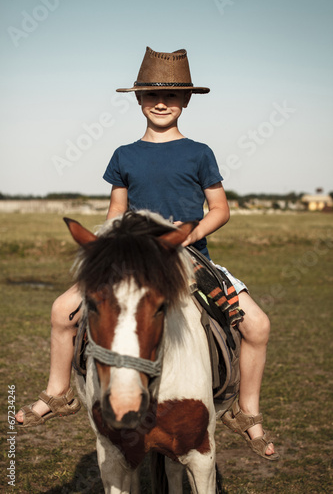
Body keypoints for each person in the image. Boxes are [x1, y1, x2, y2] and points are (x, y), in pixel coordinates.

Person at [16, 46, 278, 461]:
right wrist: (110, 242)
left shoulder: (200, 152)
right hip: (136, 258)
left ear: (186, 101)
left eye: (172, 95)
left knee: (258, 325)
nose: (161, 102)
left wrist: (190, 236)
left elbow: (221, 209)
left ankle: (247, 413)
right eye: (152, 94)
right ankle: (59, 391)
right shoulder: (124, 156)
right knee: (61, 310)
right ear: (138, 98)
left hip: (190, 258)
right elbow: (116, 212)